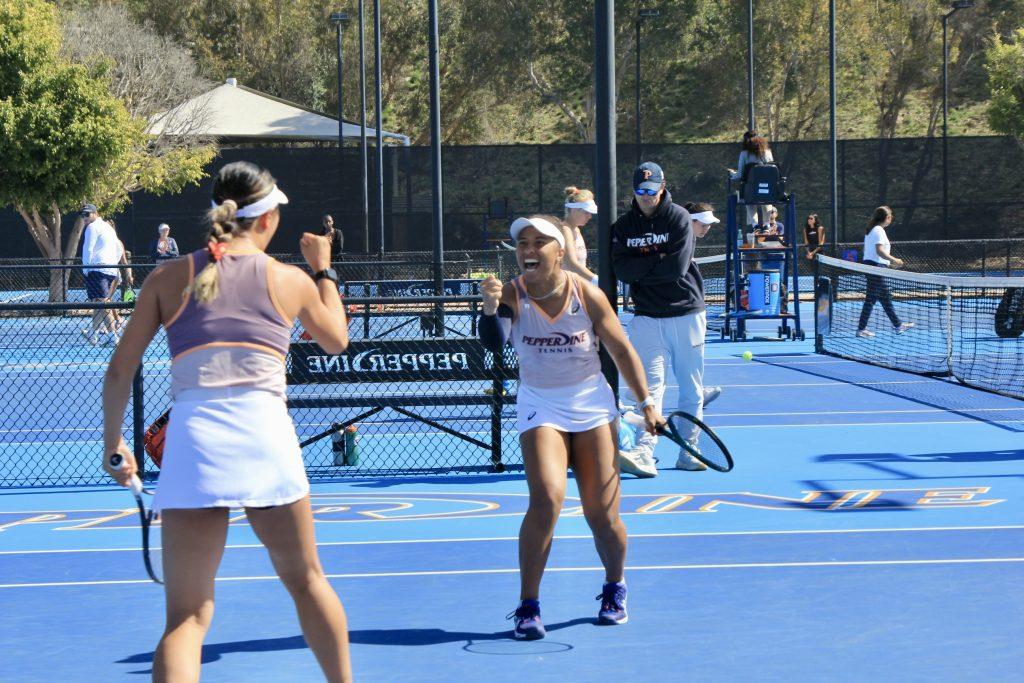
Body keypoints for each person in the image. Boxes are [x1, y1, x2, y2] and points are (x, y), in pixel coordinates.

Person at [101, 161, 353, 682]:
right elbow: (337, 340)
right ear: (266, 220)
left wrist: (114, 444)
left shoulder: (168, 277)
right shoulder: (290, 280)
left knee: (187, 619)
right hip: (266, 434)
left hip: (196, 438)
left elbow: (121, 367)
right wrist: (323, 269)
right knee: (307, 582)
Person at [478, 214, 663, 640]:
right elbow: (493, 342)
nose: (528, 249)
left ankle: (615, 586)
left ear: (559, 251)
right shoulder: (511, 294)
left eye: (539, 242)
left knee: (602, 513)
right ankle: (528, 605)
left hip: (591, 404)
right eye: (522, 242)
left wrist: (647, 403)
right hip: (540, 402)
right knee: (546, 499)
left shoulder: (588, 295)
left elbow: (621, 350)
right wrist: (489, 308)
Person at [612, 162, 709, 477]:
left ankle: (688, 451)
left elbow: (676, 269)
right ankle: (643, 452)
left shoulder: (679, 217)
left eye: (651, 191)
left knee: (691, 390)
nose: (646, 197)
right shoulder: (622, 227)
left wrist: (642, 265)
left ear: (662, 187)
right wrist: (657, 259)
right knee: (649, 390)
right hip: (646, 317)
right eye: (640, 191)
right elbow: (622, 271)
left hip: (686, 314)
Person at [682, 202, 724, 408]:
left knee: (690, 355)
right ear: (691, 220)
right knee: (691, 354)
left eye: (709, 224)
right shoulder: (683, 238)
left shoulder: (690, 238)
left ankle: (696, 392)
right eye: (704, 224)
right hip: (684, 307)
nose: (707, 228)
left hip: (688, 304)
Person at [856, 205, 914, 339]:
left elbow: (872, 253)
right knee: (871, 299)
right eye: (891, 216)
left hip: (874, 266)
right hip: (875, 268)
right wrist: (895, 260)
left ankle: (898, 325)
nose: (891, 218)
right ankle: (861, 329)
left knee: (885, 297)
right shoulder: (878, 230)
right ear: (887, 217)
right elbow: (879, 251)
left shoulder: (872, 230)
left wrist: (887, 264)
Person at [80, 203, 121, 346]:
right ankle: (94, 333)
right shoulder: (108, 227)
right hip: (110, 269)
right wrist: (114, 265)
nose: (84, 217)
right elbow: (118, 248)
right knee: (98, 302)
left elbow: (88, 250)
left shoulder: (92, 227)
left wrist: (86, 270)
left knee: (103, 302)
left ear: (94, 213)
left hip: (97, 270)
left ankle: (112, 335)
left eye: (87, 214)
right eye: (83, 215)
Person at [728, 131, 775, 230]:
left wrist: (732, 174)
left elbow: (740, 175)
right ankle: (767, 225)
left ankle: (755, 224)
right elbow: (772, 170)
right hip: (768, 190)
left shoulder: (744, 154)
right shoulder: (768, 152)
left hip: (751, 191)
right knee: (767, 199)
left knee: (747, 198)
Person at [559, 186, 598, 282]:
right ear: (573, 210)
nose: (590, 216)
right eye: (586, 212)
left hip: (577, 288)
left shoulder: (576, 230)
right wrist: (596, 280)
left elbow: (579, 266)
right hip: (566, 290)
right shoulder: (565, 230)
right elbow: (572, 264)